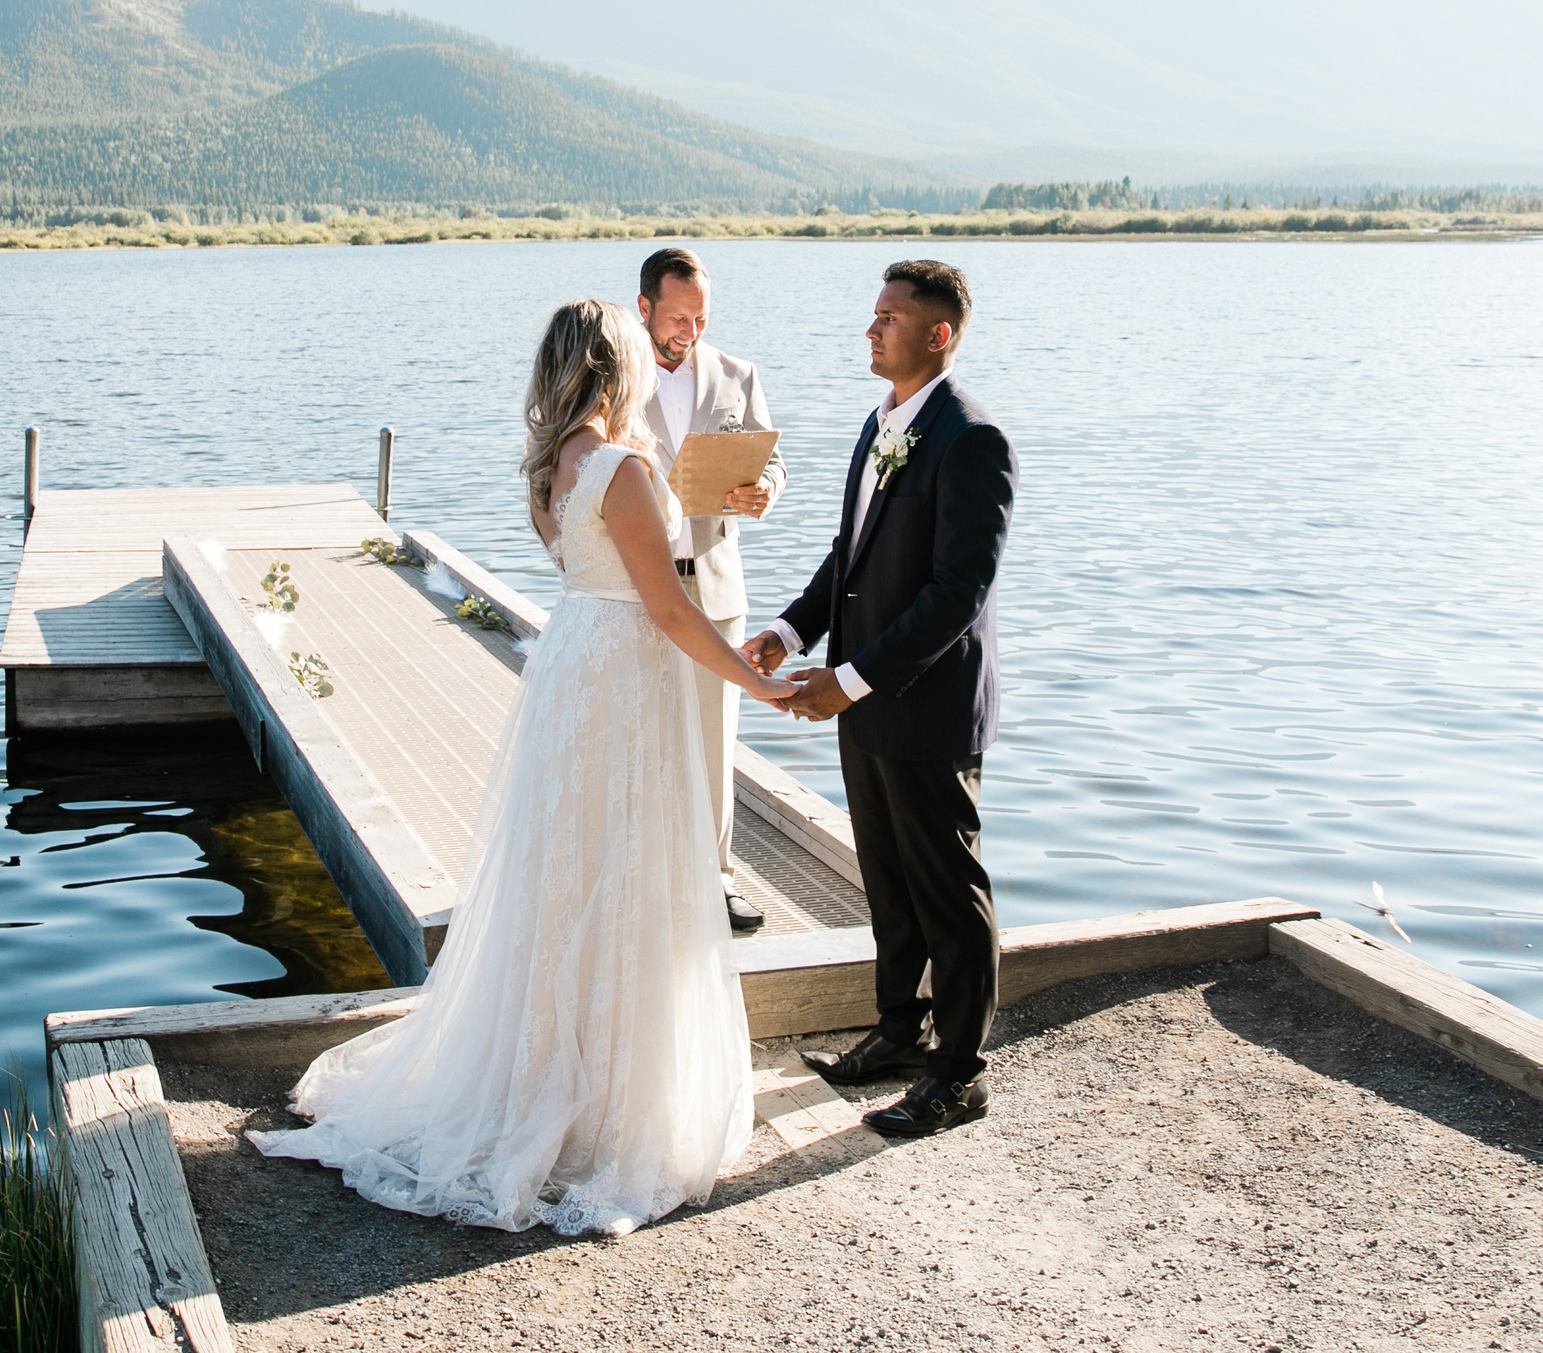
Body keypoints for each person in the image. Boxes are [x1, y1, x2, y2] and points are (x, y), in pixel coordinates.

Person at [251, 300, 798, 1234]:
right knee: (622, 869)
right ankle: (602, 1097)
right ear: (613, 367)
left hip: (577, 664)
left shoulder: (555, 468)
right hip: (625, 674)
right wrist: (750, 674)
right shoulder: (622, 468)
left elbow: (608, 569)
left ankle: (552, 1068)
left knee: (568, 874)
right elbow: (667, 607)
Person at [744, 260, 1017, 1139]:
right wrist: (790, 632)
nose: (872, 328)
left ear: (937, 334)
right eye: (873, 314)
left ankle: (960, 1071)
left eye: (890, 317)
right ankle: (899, 1031)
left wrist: (850, 680)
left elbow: (958, 592)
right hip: (860, 700)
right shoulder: (879, 424)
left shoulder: (972, 438)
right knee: (889, 884)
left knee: (948, 890)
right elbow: (850, 557)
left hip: (922, 705)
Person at [634, 247, 788, 933]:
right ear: (644, 309)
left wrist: (764, 491)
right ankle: (635, 877)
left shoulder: (738, 374)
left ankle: (716, 881)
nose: (689, 331)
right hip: (638, 587)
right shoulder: (611, 374)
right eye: (676, 318)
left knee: (713, 740)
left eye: (700, 318)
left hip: (717, 587)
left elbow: (773, 460)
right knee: (636, 733)